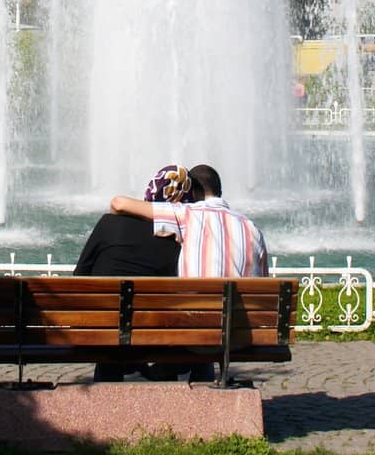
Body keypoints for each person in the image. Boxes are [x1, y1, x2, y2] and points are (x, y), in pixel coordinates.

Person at [75, 163, 195, 382]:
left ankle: (105, 401)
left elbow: (80, 274)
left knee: (112, 330)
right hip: (151, 336)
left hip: (98, 331)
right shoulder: (176, 241)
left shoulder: (108, 223)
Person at [109, 163, 268, 278]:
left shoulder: (185, 214)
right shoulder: (252, 228)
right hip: (241, 322)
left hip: (195, 319)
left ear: (193, 193)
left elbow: (119, 203)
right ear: (219, 191)